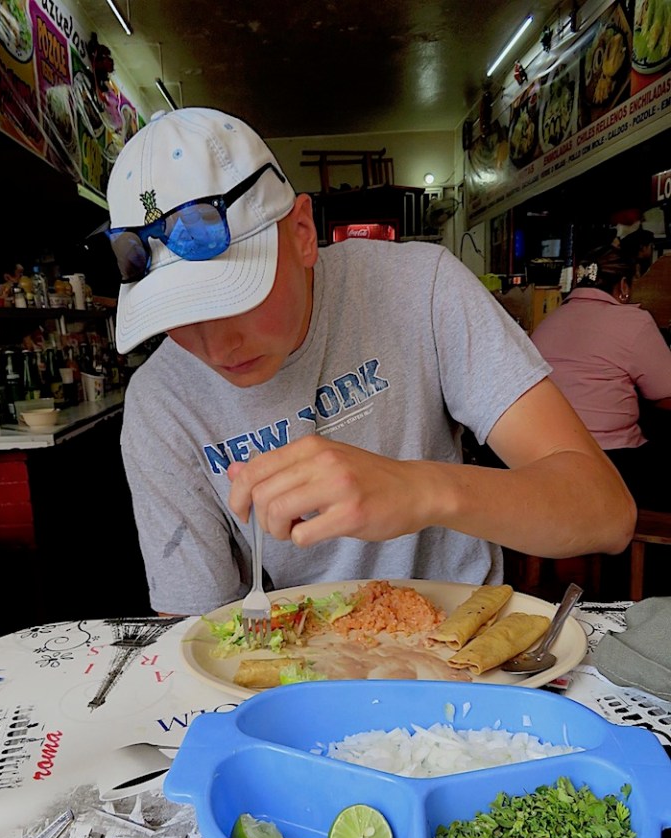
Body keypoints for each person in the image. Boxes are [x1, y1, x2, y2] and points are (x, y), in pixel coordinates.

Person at [105, 107, 635, 616]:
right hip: (308, 661)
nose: (216, 349)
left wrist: (420, 489)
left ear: (302, 233)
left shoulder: (420, 286)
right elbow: (193, 630)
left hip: (465, 641)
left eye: (235, 296)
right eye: (174, 316)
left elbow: (607, 513)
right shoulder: (161, 402)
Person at [532, 244, 671, 511]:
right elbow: (665, 393)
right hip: (612, 463)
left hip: (548, 459)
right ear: (623, 286)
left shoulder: (549, 321)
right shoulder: (633, 321)